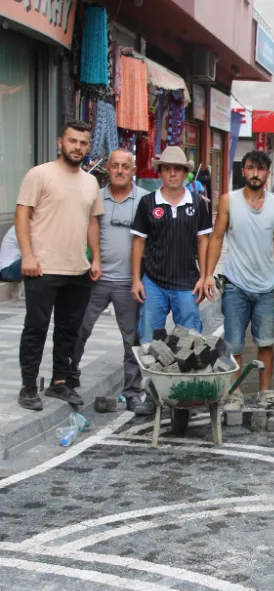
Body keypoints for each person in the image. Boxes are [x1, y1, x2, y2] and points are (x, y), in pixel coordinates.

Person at [15, 120, 102, 410]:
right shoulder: (39, 174)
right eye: (72, 141)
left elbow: (92, 222)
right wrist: (27, 255)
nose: (77, 147)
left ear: (88, 147)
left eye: (83, 143)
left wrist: (96, 258)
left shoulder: (91, 182)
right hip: (42, 267)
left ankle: (59, 383)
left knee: (69, 330)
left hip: (77, 269)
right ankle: (28, 387)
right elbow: (22, 215)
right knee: (36, 328)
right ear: (60, 142)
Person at [70, 148, 153, 416]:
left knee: (131, 340)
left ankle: (132, 392)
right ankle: (69, 377)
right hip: (96, 279)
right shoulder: (96, 198)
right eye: (115, 165)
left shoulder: (145, 200)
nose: (119, 170)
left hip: (129, 283)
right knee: (79, 330)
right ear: (108, 168)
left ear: (133, 170)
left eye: (125, 166)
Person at [206, 151, 274, 408]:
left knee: (266, 343)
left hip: (266, 287)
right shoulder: (229, 201)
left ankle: (265, 392)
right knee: (234, 345)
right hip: (235, 286)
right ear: (244, 171)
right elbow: (216, 238)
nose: (255, 174)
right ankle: (235, 392)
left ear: (267, 173)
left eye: (260, 169)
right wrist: (207, 274)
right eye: (251, 168)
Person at [131, 146, 214, 342]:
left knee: (190, 343)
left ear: (186, 173)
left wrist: (204, 276)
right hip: (153, 281)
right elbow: (138, 242)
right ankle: (151, 375)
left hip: (187, 283)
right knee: (149, 343)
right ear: (160, 172)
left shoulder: (197, 203)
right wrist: (136, 280)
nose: (172, 173)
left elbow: (203, 241)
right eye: (167, 168)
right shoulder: (147, 203)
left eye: (177, 168)